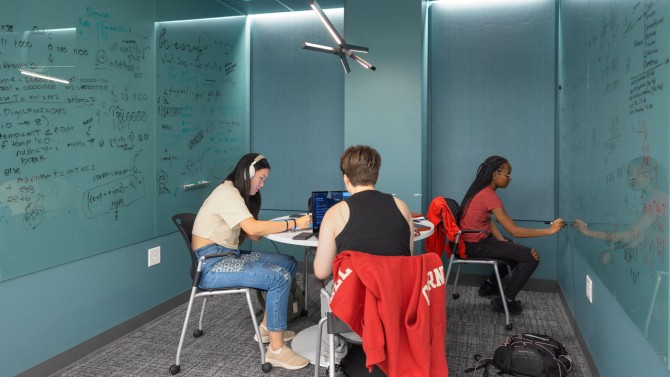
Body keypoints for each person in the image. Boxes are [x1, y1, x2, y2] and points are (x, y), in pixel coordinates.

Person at [191, 153, 311, 370]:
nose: (262, 185)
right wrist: (294, 224)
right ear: (248, 173)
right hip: (211, 264)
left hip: (226, 254)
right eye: (261, 179)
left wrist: (254, 229)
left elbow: (251, 230)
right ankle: (276, 351)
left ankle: (267, 328)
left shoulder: (233, 192)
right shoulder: (227, 194)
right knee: (279, 277)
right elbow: (253, 228)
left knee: (288, 263)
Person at [312, 145, 415, 371]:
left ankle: (336, 355)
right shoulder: (402, 206)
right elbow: (407, 259)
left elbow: (320, 271)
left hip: (355, 309)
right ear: (376, 175)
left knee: (326, 286)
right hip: (395, 301)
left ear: (346, 179)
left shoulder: (335, 212)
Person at [459, 155, 564, 315]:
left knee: (513, 248)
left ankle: (489, 285)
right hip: (475, 245)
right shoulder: (489, 195)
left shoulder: (481, 191)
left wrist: (503, 241)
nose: (510, 178)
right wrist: (549, 231)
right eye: (508, 175)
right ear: (495, 175)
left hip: (473, 240)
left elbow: (488, 221)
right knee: (530, 257)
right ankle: (506, 301)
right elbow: (514, 230)